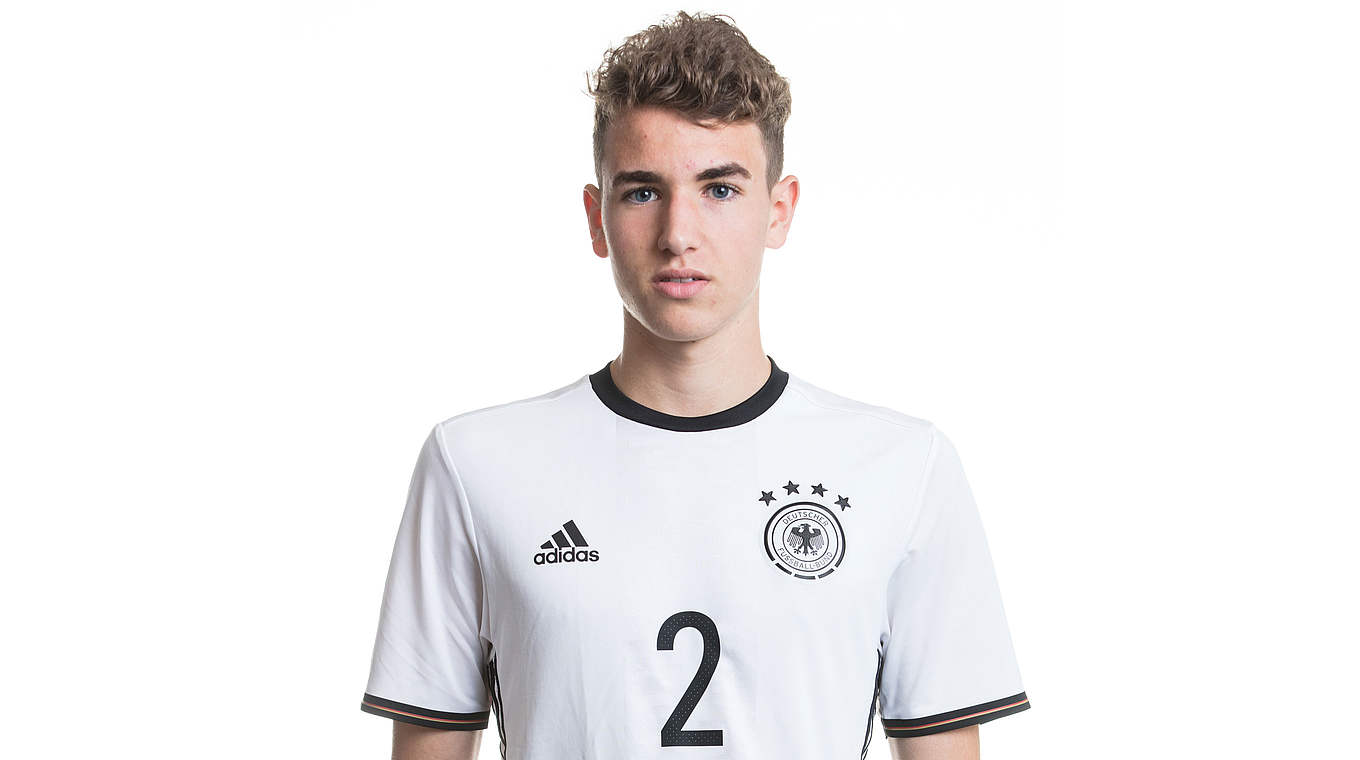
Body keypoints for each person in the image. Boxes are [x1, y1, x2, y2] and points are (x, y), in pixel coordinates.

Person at [359, 11, 1030, 760]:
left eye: (720, 189)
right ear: (596, 218)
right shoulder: (476, 464)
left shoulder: (903, 468)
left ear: (779, 210)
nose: (679, 233)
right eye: (643, 192)